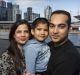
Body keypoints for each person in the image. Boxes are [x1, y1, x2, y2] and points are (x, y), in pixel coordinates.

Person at [46, 10, 80, 75]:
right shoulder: (49, 45)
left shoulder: (69, 58)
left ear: (69, 29)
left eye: (61, 27)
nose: (55, 31)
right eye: (52, 26)